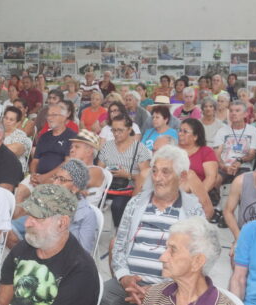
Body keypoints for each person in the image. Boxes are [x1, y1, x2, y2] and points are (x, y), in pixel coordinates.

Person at [103, 145, 206, 305]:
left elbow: (197, 262)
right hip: (130, 284)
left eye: (165, 172)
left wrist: (158, 292)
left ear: (182, 177)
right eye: (155, 171)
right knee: (98, 294)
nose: (157, 178)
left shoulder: (192, 211)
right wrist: (124, 277)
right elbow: (119, 247)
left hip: (171, 289)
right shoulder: (136, 204)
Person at [0, 184, 100, 305]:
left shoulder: (80, 270)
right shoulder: (24, 247)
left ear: (62, 223)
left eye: (37, 217)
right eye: (29, 215)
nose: (27, 223)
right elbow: (1, 301)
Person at [141, 217, 236, 305]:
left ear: (197, 261)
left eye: (173, 250)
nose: (162, 258)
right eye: (166, 248)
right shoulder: (154, 295)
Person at [99, 115, 152, 228]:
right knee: (92, 202)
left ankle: (119, 233)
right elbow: (99, 170)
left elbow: (145, 176)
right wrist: (107, 172)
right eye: (114, 130)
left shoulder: (139, 148)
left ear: (129, 130)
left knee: (118, 205)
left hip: (128, 187)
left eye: (120, 130)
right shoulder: (107, 146)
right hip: (108, 185)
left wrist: (127, 175)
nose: (116, 133)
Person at [214, 101, 256, 186]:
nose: (233, 113)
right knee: (214, 180)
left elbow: (251, 154)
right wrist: (224, 167)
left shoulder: (253, 130)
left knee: (240, 183)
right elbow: (217, 155)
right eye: (231, 111)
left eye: (237, 111)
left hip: (243, 166)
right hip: (224, 166)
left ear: (245, 114)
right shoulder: (222, 131)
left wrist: (239, 161)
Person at [177, 119, 219, 202]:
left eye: (185, 132)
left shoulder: (206, 151)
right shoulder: (173, 150)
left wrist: (196, 197)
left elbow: (210, 178)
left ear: (195, 136)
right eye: (180, 130)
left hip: (197, 196)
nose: (180, 134)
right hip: (174, 193)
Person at [2, 106, 33, 173]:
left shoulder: (20, 135)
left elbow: (14, 150)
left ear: (18, 123)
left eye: (11, 120)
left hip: (14, 169)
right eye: (6, 118)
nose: (7, 121)